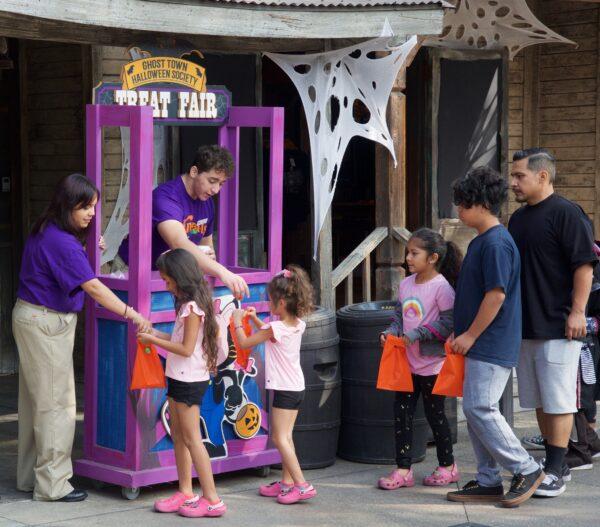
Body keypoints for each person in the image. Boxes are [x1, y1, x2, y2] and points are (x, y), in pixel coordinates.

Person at [12, 173, 152, 502]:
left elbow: (70, 272)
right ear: (67, 205)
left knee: (36, 404)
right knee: (57, 406)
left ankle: (30, 478)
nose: (91, 213)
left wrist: (88, 244)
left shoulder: (49, 229)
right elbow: (93, 287)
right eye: (84, 207)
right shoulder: (62, 241)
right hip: (46, 323)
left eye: (93, 206)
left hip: (34, 317)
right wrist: (132, 313)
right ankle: (53, 485)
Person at [446, 166, 543, 508]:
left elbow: (496, 295)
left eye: (462, 203)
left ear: (481, 203)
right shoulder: (484, 241)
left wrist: (470, 335)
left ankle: (526, 468)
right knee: (475, 410)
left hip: (490, 340)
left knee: (480, 407)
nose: (458, 210)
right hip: (482, 340)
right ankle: (488, 480)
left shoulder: (497, 244)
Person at [508, 148, 596, 497]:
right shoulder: (517, 219)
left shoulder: (567, 213)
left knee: (559, 399)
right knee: (540, 399)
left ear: (542, 176)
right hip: (525, 325)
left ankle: (558, 469)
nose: (513, 182)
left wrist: (578, 312)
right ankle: (552, 462)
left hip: (560, 325)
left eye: (519, 176)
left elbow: (584, 266)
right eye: (512, 176)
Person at [137, 248, 228, 518]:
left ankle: (212, 499)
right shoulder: (189, 305)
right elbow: (179, 341)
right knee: (178, 436)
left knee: (191, 439)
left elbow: (186, 349)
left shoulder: (192, 308)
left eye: (167, 280)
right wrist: (153, 331)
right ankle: (186, 491)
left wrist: (152, 340)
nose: (165, 285)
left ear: (179, 277)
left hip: (189, 380)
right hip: (179, 378)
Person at [376, 228, 462, 489]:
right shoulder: (405, 284)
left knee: (437, 417)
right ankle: (403, 470)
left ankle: (448, 466)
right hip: (407, 365)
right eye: (408, 252)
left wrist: (418, 333)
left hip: (432, 366)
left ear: (433, 257)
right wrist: (391, 332)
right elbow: (399, 317)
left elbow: (448, 323)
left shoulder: (442, 287)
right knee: (401, 416)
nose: (408, 258)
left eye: (415, 253)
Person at [118, 144, 249, 299]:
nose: (216, 190)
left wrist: (209, 259)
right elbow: (179, 243)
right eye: (212, 181)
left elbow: (206, 247)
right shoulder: (166, 197)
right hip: (133, 271)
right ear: (194, 172)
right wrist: (223, 272)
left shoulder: (207, 202)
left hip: (172, 278)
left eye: (220, 184)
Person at [231, 265, 316, 505]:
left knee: (279, 438)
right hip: (296, 387)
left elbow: (245, 342)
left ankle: (302, 485)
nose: (268, 304)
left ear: (280, 303)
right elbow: (270, 333)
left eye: (270, 301)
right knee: (287, 436)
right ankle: (287, 482)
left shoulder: (274, 328)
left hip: (285, 390)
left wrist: (238, 321)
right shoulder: (298, 324)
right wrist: (256, 319)